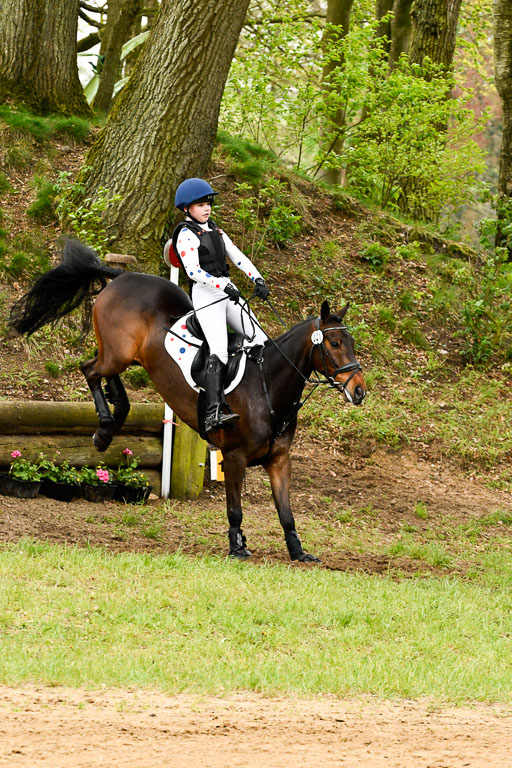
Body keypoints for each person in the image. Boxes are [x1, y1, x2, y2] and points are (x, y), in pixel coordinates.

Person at [167, 177, 269, 434]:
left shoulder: (215, 230)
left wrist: (257, 278)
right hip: (206, 295)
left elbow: (237, 256)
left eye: (208, 203)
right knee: (219, 350)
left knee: (259, 338)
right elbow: (193, 271)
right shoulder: (186, 235)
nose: (207, 208)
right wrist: (223, 286)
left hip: (226, 291)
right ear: (187, 209)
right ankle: (213, 411)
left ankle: (254, 397)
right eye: (200, 204)